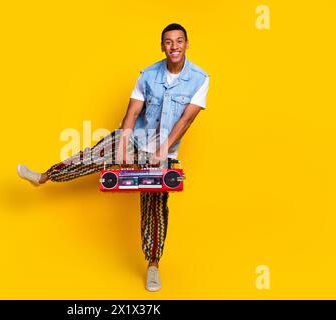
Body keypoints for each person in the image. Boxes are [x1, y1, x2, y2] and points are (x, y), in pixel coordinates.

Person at [17, 23, 209, 292]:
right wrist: (122, 146)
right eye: (168, 42)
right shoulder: (148, 74)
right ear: (162, 46)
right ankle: (44, 176)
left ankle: (153, 265)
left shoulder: (201, 78)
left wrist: (161, 151)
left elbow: (186, 120)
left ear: (187, 44)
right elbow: (132, 113)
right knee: (93, 155)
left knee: (155, 209)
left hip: (164, 148)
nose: (174, 46)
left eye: (179, 41)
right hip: (135, 138)